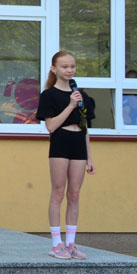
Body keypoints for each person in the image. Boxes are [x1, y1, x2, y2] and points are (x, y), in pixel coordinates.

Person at [37, 51, 97, 260]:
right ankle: (56, 244)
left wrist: (89, 157)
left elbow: (85, 127)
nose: (69, 70)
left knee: (74, 194)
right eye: (64, 67)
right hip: (61, 142)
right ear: (54, 69)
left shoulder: (82, 96)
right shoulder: (49, 95)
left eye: (72, 66)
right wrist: (70, 105)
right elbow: (51, 126)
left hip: (78, 142)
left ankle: (71, 243)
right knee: (58, 192)